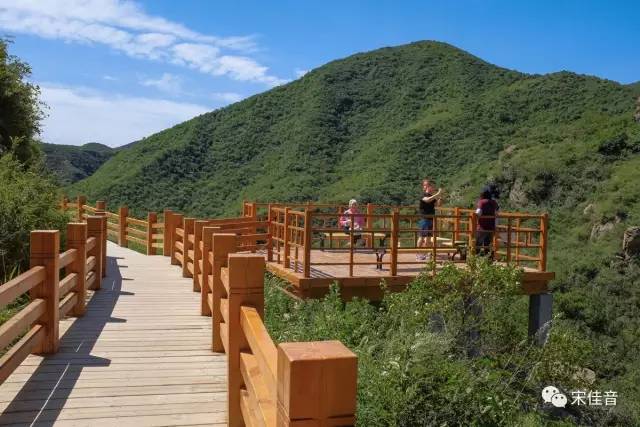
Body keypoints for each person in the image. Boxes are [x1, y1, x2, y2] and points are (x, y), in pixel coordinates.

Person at [417, 179, 443, 260]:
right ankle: (418, 253)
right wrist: (437, 193)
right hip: (424, 219)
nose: (429, 187)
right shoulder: (423, 195)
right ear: (424, 187)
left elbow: (438, 205)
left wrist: (440, 198)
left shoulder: (432, 196)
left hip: (431, 219)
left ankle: (425, 253)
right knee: (421, 237)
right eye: (426, 185)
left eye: (429, 185)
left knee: (428, 238)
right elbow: (427, 200)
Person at [475, 186, 499, 257]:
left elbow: (478, 212)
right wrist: (496, 225)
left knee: (478, 243)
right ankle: (489, 259)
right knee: (488, 244)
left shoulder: (481, 202)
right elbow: (496, 213)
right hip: (491, 227)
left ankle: (476, 258)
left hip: (482, 227)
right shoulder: (494, 202)